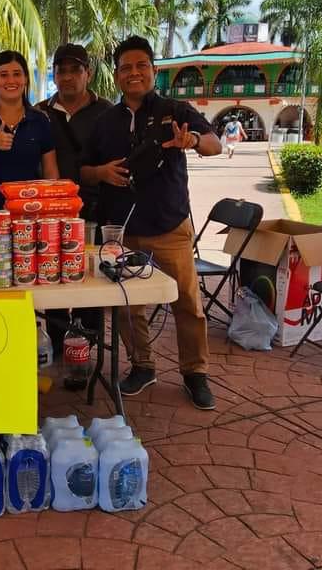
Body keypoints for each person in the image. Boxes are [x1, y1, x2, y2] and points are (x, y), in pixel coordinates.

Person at [82, 35, 223, 408]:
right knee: (128, 305)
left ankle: (196, 373)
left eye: (141, 65)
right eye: (126, 67)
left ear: (153, 71)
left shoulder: (176, 109)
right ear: (115, 76)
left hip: (170, 226)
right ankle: (142, 365)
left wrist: (191, 140)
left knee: (188, 304)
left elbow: (215, 144)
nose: (134, 73)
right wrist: (101, 172)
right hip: (122, 231)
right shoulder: (104, 121)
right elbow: (83, 170)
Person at [35, 43, 112, 389]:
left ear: (88, 73)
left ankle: (85, 350)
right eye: (60, 70)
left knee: (89, 286)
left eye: (74, 70)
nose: (66, 76)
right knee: (53, 283)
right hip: (50, 214)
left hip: (95, 210)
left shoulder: (107, 113)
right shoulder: (39, 112)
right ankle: (58, 343)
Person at [0, 50, 58, 208]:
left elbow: (51, 174)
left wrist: (51, 208)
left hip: (30, 212)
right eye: (4, 75)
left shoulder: (40, 120)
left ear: (26, 78)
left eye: (17, 74)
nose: (11, 80)